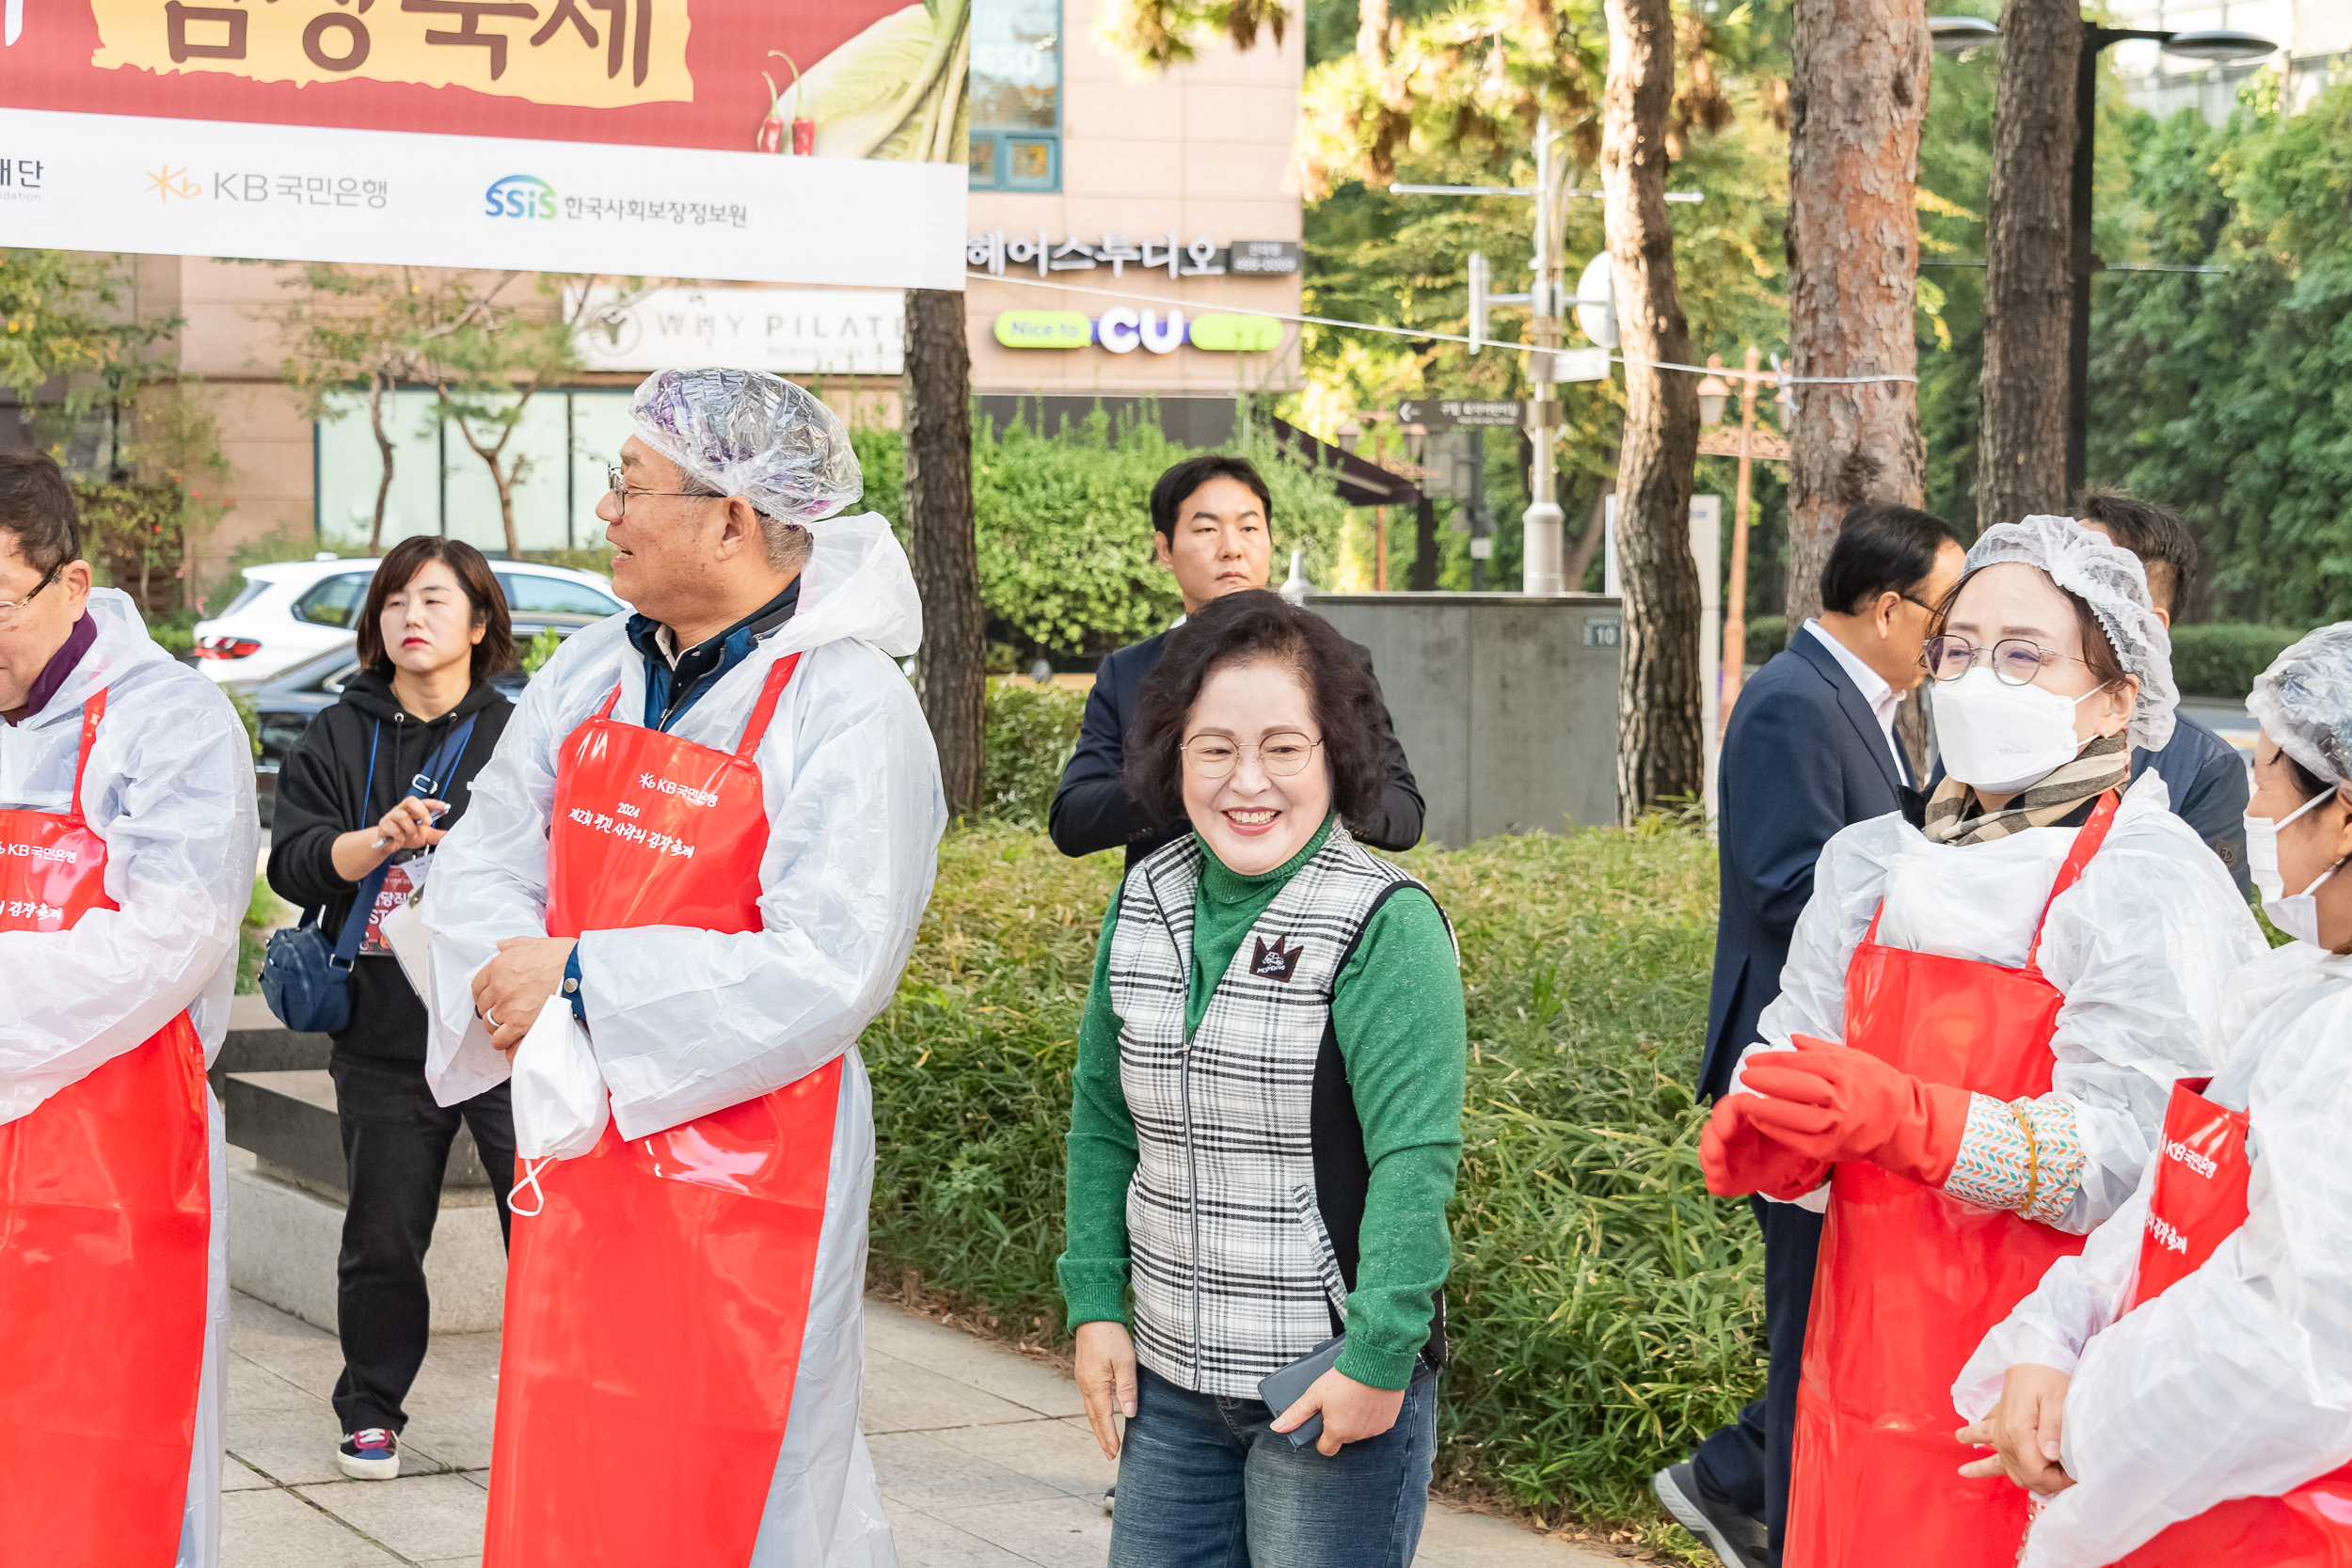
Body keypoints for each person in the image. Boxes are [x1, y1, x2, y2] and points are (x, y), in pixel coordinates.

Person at [419, 369, 946, 1567]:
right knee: (578, 1445)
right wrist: (525, 980)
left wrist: (584, 979)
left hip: (759, 1166)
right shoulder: (592, 668)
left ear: (732, 519)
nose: (605, 510)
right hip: (582, 1136)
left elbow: (830, 963)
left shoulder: (850, 705)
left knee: (739, 1469)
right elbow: (491, 853)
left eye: (628, 484)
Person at [1701, 515, 2266, 1568]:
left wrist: (1915, 1119)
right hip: (1856, 1364)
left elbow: (2145, 1159)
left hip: (2040, 1384)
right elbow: (1797, 1046)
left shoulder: (2144, 881)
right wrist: (1780, 1134)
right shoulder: (1871, 863)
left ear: (2116, 695)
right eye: (1957, 651)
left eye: (2023, 656)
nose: (1975, 681)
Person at [1058, 589, 1467, 1568]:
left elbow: (1416, 1160)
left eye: (1283, 747)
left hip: (1324, 1386)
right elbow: (1103, 1119)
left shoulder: (1385, 920)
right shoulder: (1146, 898)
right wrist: (1096, 1305)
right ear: (1169, 755)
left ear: (1336, 751)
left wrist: (1376, 1358)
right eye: (1213, 748)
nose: (1248, 781)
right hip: (1166, 1381)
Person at [1950, 624, 2352, 1568]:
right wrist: (2053, 1333)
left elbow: (2290, 1340)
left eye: (2268, 775)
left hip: (2263, 1517)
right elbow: (2171, 1207)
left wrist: (2081, 1416)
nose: (2251, 803)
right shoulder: (2299, 992)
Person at [1659, 503, 1965, 1568]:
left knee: (1825, 1322)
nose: (1950, 635)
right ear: (1888, 606)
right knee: (1805, 1334)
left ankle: (1742, 1482)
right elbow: (1791, 883)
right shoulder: (1796, 701)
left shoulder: (1861, 700)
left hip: (1845, 1071)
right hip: (1792, 1074)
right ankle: (1776, 1522)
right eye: (1945, 610)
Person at [0, 452, 257, 1565]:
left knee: (105, 1468)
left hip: (106, 1174)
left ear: (70, 582)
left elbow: (170, 937)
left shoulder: (172, 725)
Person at [266, 536, 518, 1480]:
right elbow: (295, 858)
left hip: (501, 1025)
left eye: (437, 600)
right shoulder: (337, 732)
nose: (413, 617)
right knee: (380, 1234)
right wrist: (371, 842)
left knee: (539, 1228)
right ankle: (370, 1408)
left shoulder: (513, 737)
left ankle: (554, 1404)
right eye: (396, 601)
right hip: (380, 1026)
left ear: (480, 623)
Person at [1050, 454, 1425, 867]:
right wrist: (1190, 775)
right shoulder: (1128, 672)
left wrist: (1301, 782)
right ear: (1165, 549)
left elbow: (1402, 814)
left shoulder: (1336, 662)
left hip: (1309, 914)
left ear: (1269, 540)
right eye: (1207, 529)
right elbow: (1073, 819)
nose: (1232, 549)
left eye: (1249, 528)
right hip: (1173, 922)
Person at [2074, 490, 2251, 896]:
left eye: (2079, 586)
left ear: (2149, 625)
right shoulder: (1995, 724)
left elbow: (2210, 931)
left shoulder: (2205, 769)